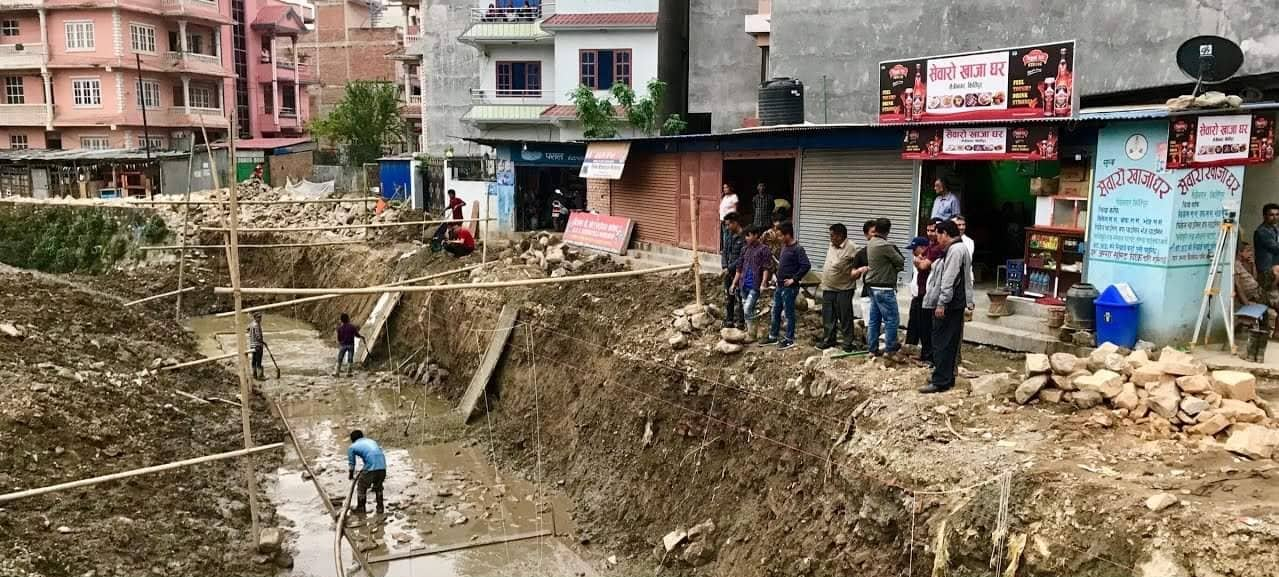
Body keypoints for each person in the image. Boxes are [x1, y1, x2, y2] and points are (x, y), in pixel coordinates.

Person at [921, 220, 974, 393]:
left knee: (941, 342)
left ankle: (940, 380)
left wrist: (942, 302)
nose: (937, 239)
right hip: (954, 303)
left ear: (945, 234)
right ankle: (946, 376)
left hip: (950, 304)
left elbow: (949, 279)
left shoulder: (955, 250)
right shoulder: (957, 249)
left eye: (938, 235)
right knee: (948, 342)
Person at [764, 222, 809, 350]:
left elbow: (806, 265)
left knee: (789, 313)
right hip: (779, 285)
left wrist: (794, 279)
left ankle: (789, 339)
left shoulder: (798, 249)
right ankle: (773, 336)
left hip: (789, 288)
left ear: (787, 235)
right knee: (776, 310)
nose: (778, 238)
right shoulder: (784, 247)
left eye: (780, 236)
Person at [865, 218, 905, 357]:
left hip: (872, 286)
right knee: (892, 319)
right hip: (884, 287)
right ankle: (890, 349)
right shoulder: (885, 245)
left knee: (874, 319)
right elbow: (900, 260)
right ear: (888, 230)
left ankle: (872, 349)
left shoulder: (871, 243)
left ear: (875, 229)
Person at [818, 223, 858, 352]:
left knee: (845, 316)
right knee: (828, 316)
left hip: (844, 288)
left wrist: (856, 272)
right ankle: (829, 339)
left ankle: (847, 343)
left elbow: (863, 262)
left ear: (840, 236)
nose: (830, 238)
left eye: (832, 235)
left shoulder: (852, 248)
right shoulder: (832, 245)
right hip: (828, 287)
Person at [737, 225, 773, 339]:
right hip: (743, 284)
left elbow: (766, 268)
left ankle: (752, 333)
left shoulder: (764, 250)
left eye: (749, 235)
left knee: (748, 308)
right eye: (745, 236)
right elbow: (739, 267)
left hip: (755, 284)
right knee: (746, 308)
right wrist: (734, 283)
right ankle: (751, 330)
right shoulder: (744, 249)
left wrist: (763, 283)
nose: (746, 238)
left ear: (756, 235)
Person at [347, 430, 387, 515]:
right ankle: (380, 508)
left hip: (371, 468)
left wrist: (350, 475)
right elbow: (376, 454)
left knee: (361, 486)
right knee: (378, 486)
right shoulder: (371, 441)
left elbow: (352, 464)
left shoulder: (352, 447)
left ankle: (361, 508)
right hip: (383, 466)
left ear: (352, 439)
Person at [720, 213, 746, 329]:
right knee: (729, 297)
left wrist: (729, 268)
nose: (727, 227)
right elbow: (724, 251)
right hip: (728, 272)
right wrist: (725, 266)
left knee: (741, 298)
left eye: (728, 224)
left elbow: (743, 258)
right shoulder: (729, 234)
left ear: (735, 223)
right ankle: (729, 320)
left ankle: (741, 322)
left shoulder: (745, 237)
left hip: (740, 273)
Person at [849, 219, 875, 321]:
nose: (876, 235)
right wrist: (860, 270)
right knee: (869, 324)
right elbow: (852, 274)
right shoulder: (861, 253)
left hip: (884, 295)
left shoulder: (888, 250)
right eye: (873, 232)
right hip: (867, 293)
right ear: (866, 235)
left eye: (878, 232)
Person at [1255, 203, 1279, 290]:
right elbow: (1276, 248)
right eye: (1271, 215)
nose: (1275, 217)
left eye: (1277, 214)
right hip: (1266, 272)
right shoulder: (1262, 231)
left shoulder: (1275, 229)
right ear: (1264, 216)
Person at [336, 313, 364, 377]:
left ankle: (337, 372)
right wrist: (361, 337)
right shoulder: (352, 327)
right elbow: (357, 335)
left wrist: (341, 342)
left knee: (340, 358)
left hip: (343, 345)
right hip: (351, 345)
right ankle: (348, 373)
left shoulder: (339, 328)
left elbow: (339, 338)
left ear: (341, 320)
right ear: (348, 319)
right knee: (350, 359)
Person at [719, 183, 739, 252]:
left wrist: (732, 220)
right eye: (724, 188)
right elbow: (722, 207)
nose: (725, 189)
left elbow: (735, 209)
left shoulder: (734, 196)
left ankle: (729, 250)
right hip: (723, 220)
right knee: (725, 236)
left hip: (730, 221)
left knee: (729, 236)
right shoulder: (724, 197)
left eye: (726, 187)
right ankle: (725, 250)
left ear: (730, 188)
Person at [247, 312, 266, 381]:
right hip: (258, 345)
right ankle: (260, 376)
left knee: (254, 360)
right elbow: (258, 337)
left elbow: (247, 329)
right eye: (258, 317)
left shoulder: (251, 324)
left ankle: (254, 375)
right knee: (259, 361)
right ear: (255, 318)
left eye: (260, 317)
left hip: (252, 345)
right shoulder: (257, 325)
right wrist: (263, 342)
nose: (260, 319)